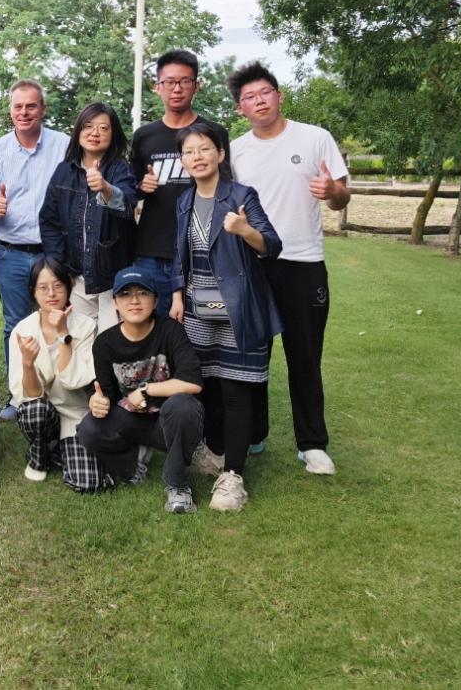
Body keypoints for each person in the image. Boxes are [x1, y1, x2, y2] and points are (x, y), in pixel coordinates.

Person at [228, 61, 350, 476]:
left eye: (265, 92)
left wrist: (332, 191)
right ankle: (253, 434)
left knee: (305, 356)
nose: (259, 101)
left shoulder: (315, 138)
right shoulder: (237, 151)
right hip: (253, 264)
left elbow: (342, 196)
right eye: (249, 97)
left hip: (303, 263)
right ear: (241, 108)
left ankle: (312, 444)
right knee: (252, 354)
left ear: (278, 96)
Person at [169, 120, 282, 512]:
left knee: (237, 389)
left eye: (204, 149)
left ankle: (233, 476)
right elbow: (178, 254)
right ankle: (216, 453)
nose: (197, 157)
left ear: (220, 153)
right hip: (199, 306)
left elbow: (272, 245)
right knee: (210, 385)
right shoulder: (184, 201)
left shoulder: (241, 195)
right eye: (189, 151)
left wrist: (245, 230)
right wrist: (177, 294)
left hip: (238, 306)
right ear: (182, 160)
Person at [76, 267, 204, 513]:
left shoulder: (170, 330)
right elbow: (106, 394)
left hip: (170, 421)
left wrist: (146, 390)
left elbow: (192, 382)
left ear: (155, 300)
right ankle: (131, 468)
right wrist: (96, 401)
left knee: (183, 406)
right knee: (89, 428)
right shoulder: (104, 343)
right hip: (133, 422)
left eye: (142, 293)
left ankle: (177, 484)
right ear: (115, 303)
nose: (134, 300)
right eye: (125, 294)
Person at [0, 80, 70, 420]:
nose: (24, 112)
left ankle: (61, 389)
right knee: (16, 324)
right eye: (18, 106)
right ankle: (19, 394)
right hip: (12, 251)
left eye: (31, 106)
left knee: (57, 319)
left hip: (53, 251)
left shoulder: (63, 145)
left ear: (43, 109)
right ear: (11, 111)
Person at [130, 50, 230, 294]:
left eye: (185, 81)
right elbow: (130, 191)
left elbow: (226, 189)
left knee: (202, 317)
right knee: (153, 318)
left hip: (201, 250)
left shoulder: (214, 132)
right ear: (158, 87)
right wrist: (142, 187)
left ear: (197, 86)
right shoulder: (144, 136)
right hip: (151, 251)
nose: (177, 89)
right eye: (169, 82)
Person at [7, 257, 108, 492]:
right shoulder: (23, 331)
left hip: (75, 413)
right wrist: (28, 364)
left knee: (89, 483)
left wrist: (64, 335)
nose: (51, 293)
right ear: (33, 292)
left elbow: (73, 381)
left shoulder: (86, 326)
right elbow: (28, 396)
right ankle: (39, 456)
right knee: (36, 409)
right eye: (43, 288)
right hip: (41, 412)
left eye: (58, 285)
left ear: (69, 286)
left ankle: (56, 451)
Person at [39, 102, 137, 332]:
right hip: (77, 278)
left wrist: (105, 188)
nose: (95, 133)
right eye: (88, 126)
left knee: (112, 339)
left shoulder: (120, 168)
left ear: (113, 134)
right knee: (80, 338)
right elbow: (49, 222)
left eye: (103, 128)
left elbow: (128, 204)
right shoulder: (64, 171)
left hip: (113, 277)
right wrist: (61, 268)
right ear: (78, 130)